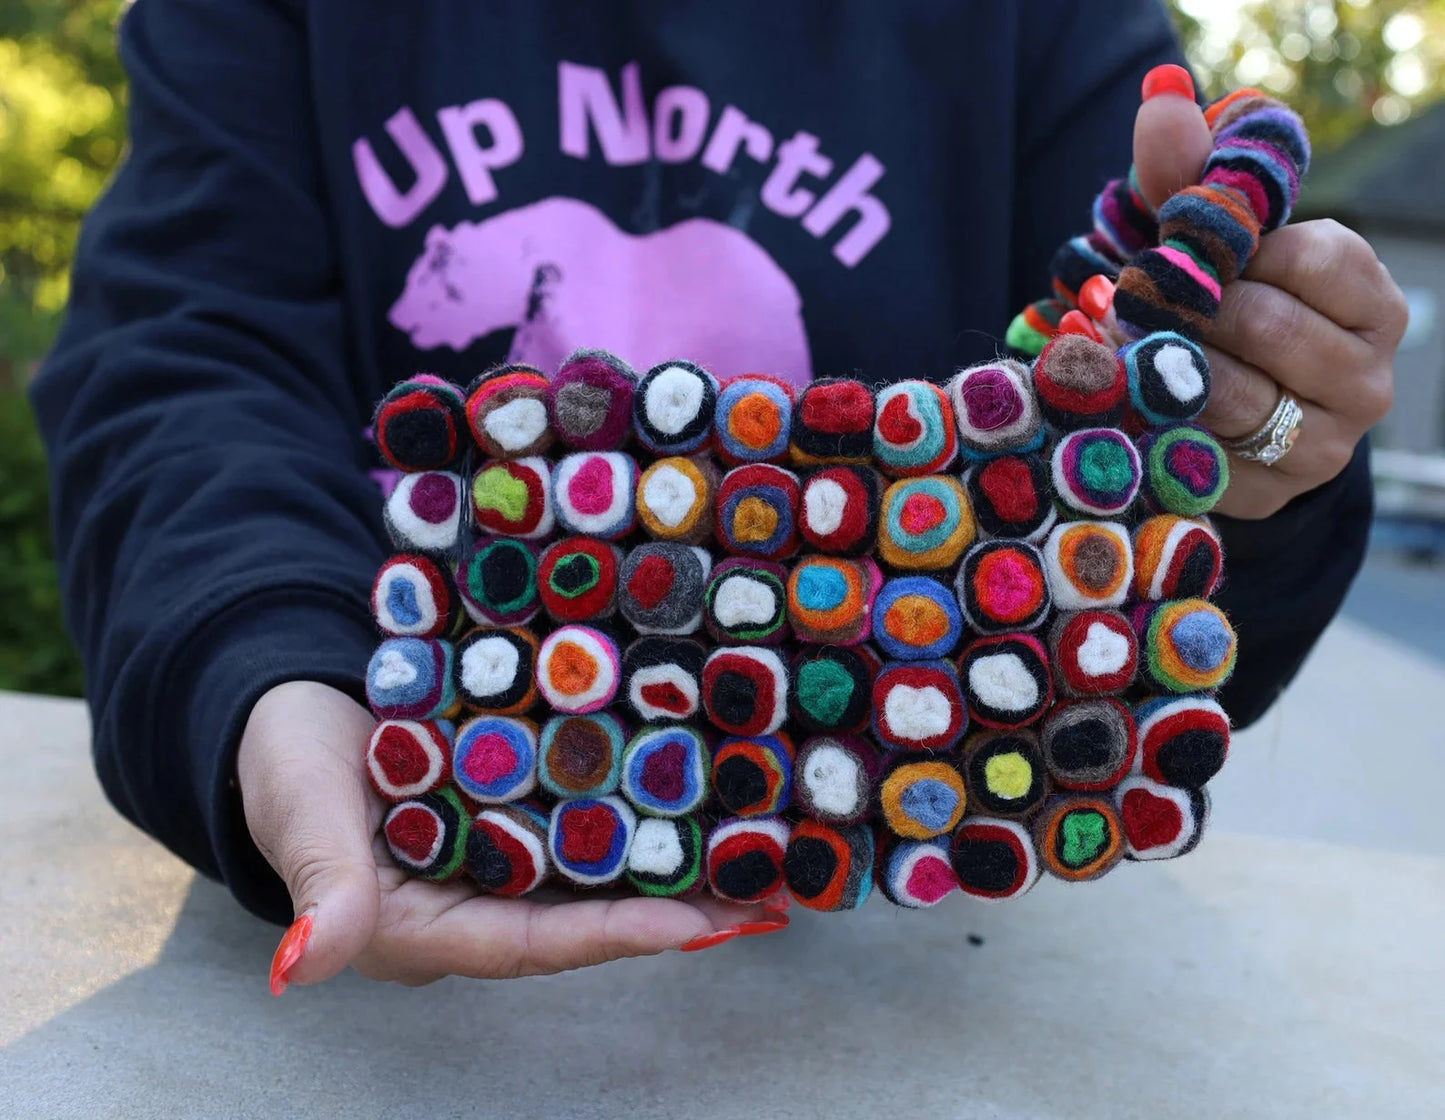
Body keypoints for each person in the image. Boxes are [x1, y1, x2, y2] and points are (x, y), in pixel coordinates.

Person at [32, 0, 1403, 993]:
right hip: (437, 787)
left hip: (912, 951)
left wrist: (1244, 442)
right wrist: (268, 675)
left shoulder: (1036, 28)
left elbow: (1123, 488)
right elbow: (185, 356)